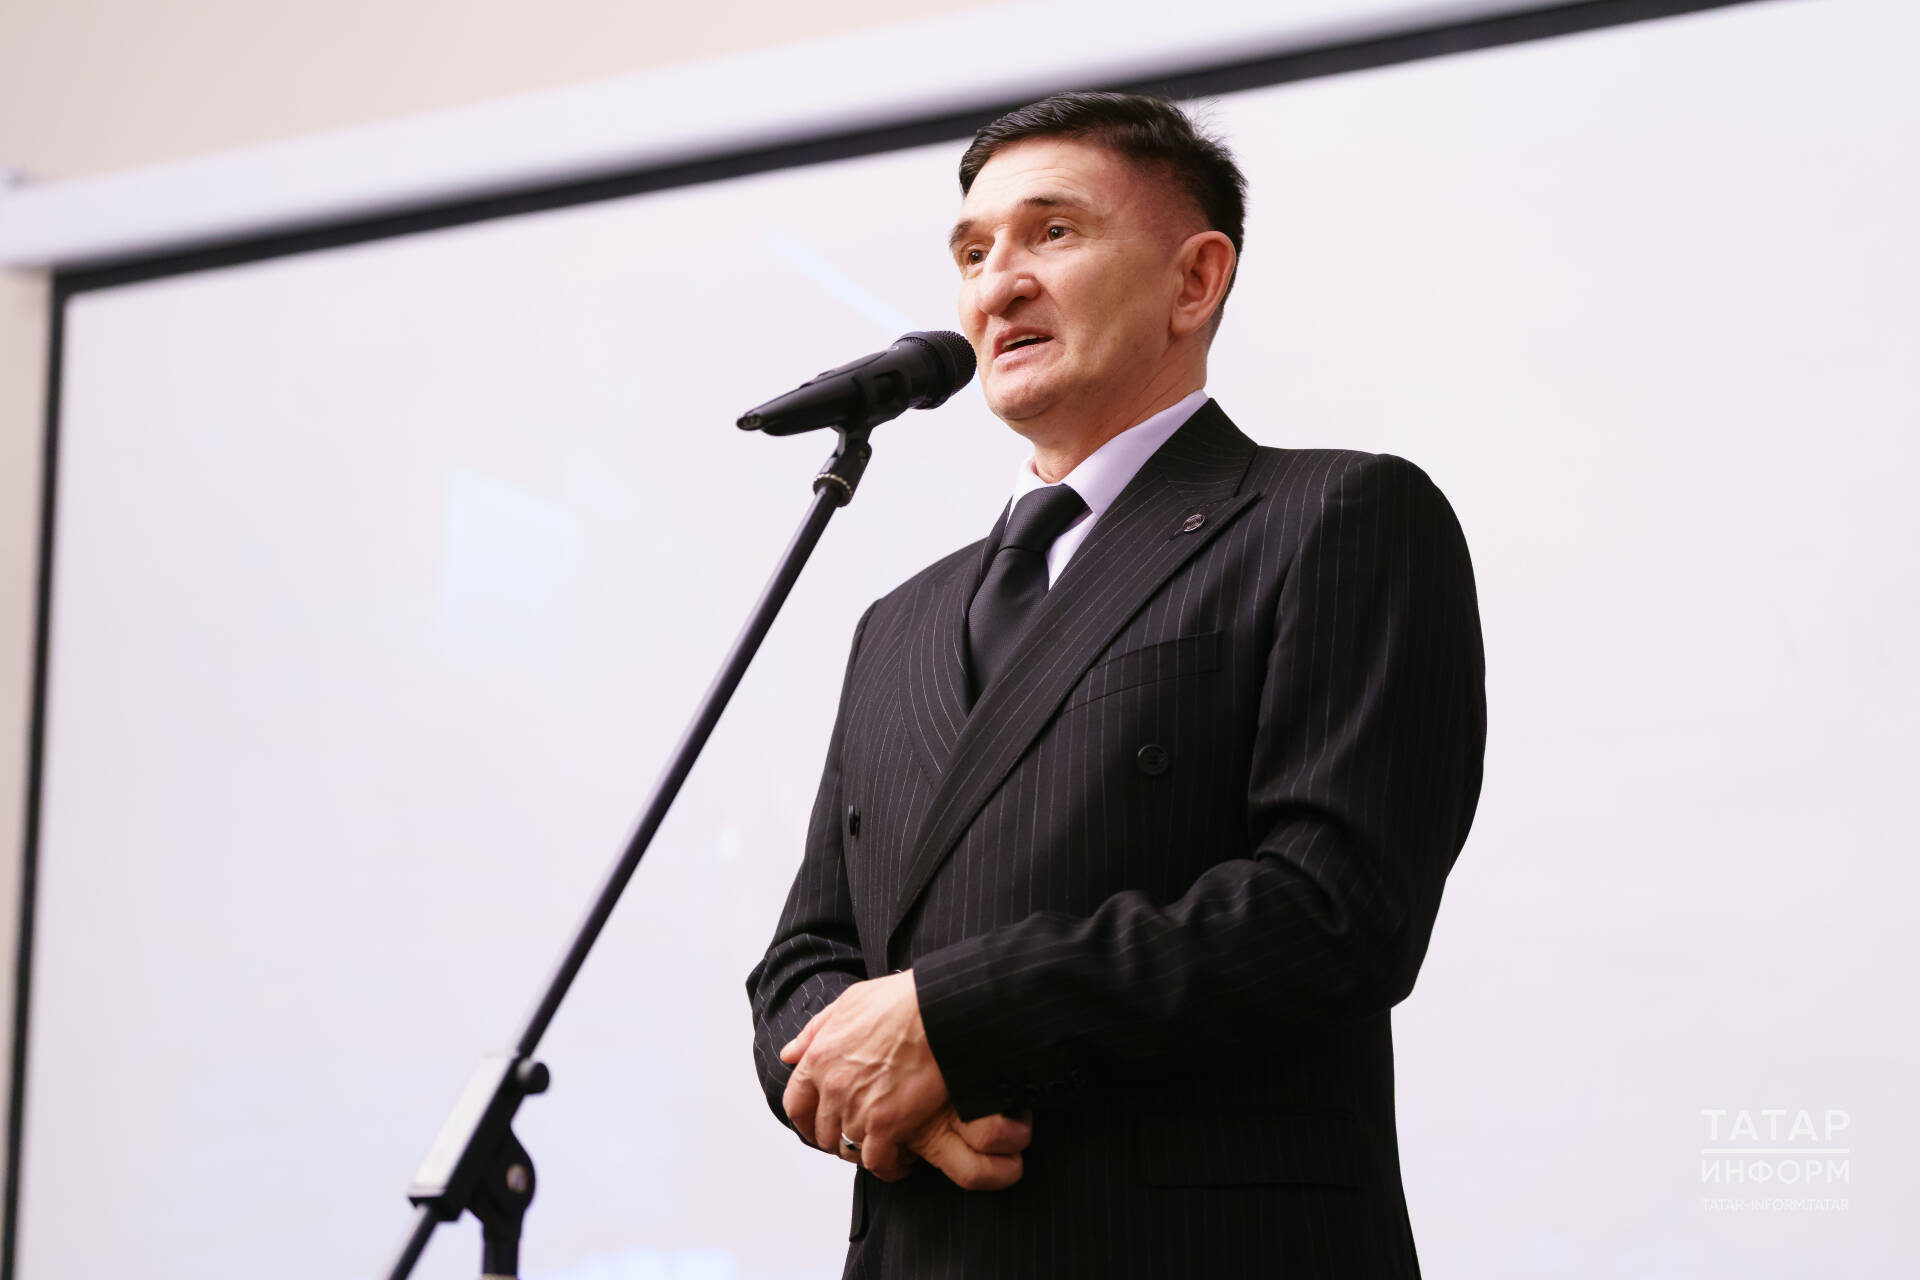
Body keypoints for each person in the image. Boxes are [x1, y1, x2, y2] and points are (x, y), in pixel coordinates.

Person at [746, 91, 1486, 1279]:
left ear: (1195, 280)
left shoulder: (1334, 515)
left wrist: (953, 1020)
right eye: (972, 253)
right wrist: (874, 1078)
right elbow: (806, 953)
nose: (998, 285)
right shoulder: (901, 620)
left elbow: (1338, 908)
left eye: (1052, 233)